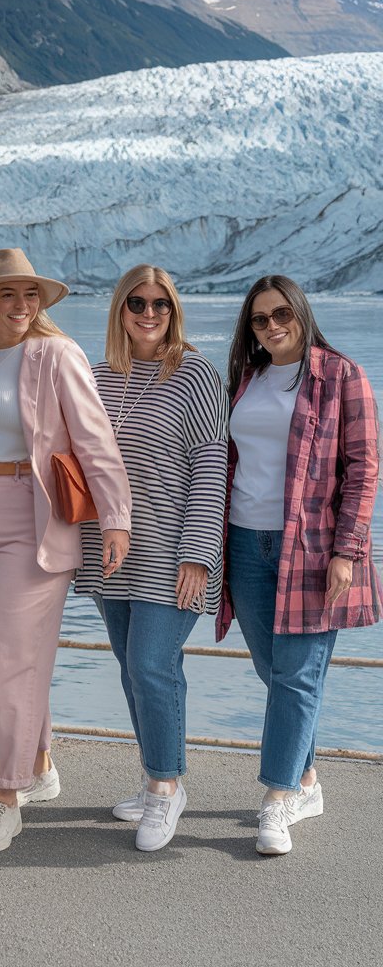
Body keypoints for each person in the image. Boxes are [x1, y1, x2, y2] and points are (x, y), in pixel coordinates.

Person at [0, 248, 132, 855]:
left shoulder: (56, 354)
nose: (21, 306)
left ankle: (5, 796)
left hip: (31, 514)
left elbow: (95, 439)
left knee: (10, 658)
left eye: (30, 295)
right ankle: (38, 762)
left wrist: (116, 516)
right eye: (7, 295)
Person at [220, 274, 381, 856]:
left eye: (282, 313)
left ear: (302, 313)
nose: (273, 327)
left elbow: (364, 471)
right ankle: (308, 780)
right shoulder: (246, 378)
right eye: (260, 319)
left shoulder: (343, 376)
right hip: (245, 543)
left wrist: (348, 551)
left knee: (296, 677)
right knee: (274, 672)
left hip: (312, 550)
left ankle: (276, 799)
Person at [75, 264, 228, 853]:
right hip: (111, 553)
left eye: (160, 304)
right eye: (137, 302)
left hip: (173, 552)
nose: (148, 313)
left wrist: (197, 555)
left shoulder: (195, 374)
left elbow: (211, 469)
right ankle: (152, 776)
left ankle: (167, 788)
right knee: (130, 668)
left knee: (151, 665)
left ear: (174, 310)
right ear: (120, 308)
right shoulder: (98, 375)